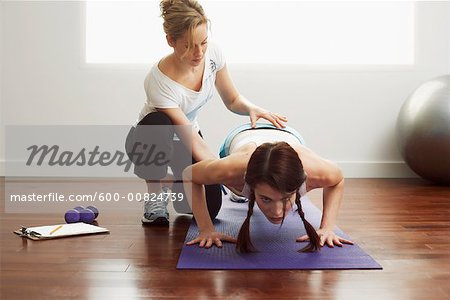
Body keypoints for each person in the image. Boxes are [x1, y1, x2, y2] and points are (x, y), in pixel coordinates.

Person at [126, 0, 287, 225]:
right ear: (171, 41)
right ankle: (155, 195)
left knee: (208, 209)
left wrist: (251, 108)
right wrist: (229, 174)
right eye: (190, 45)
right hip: (152, 139)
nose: (199, 52)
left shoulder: (213, 54)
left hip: (187, 139)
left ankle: (173, 183)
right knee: (158, 124)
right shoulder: (158, 81)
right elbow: (191, 139)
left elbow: (232, 99)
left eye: (203, 42)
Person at [182, 123, 354, 252]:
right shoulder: (232, 170)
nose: (277, 212)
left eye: (286, 198)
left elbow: (337, 180)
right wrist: (206, 229)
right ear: (249, 183)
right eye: (266, 199)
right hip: (243, 135)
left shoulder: (314, 172)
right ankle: (240, 194)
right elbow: (189, 175)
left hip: (287, 133)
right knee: (232, 186)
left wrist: (327, 227)